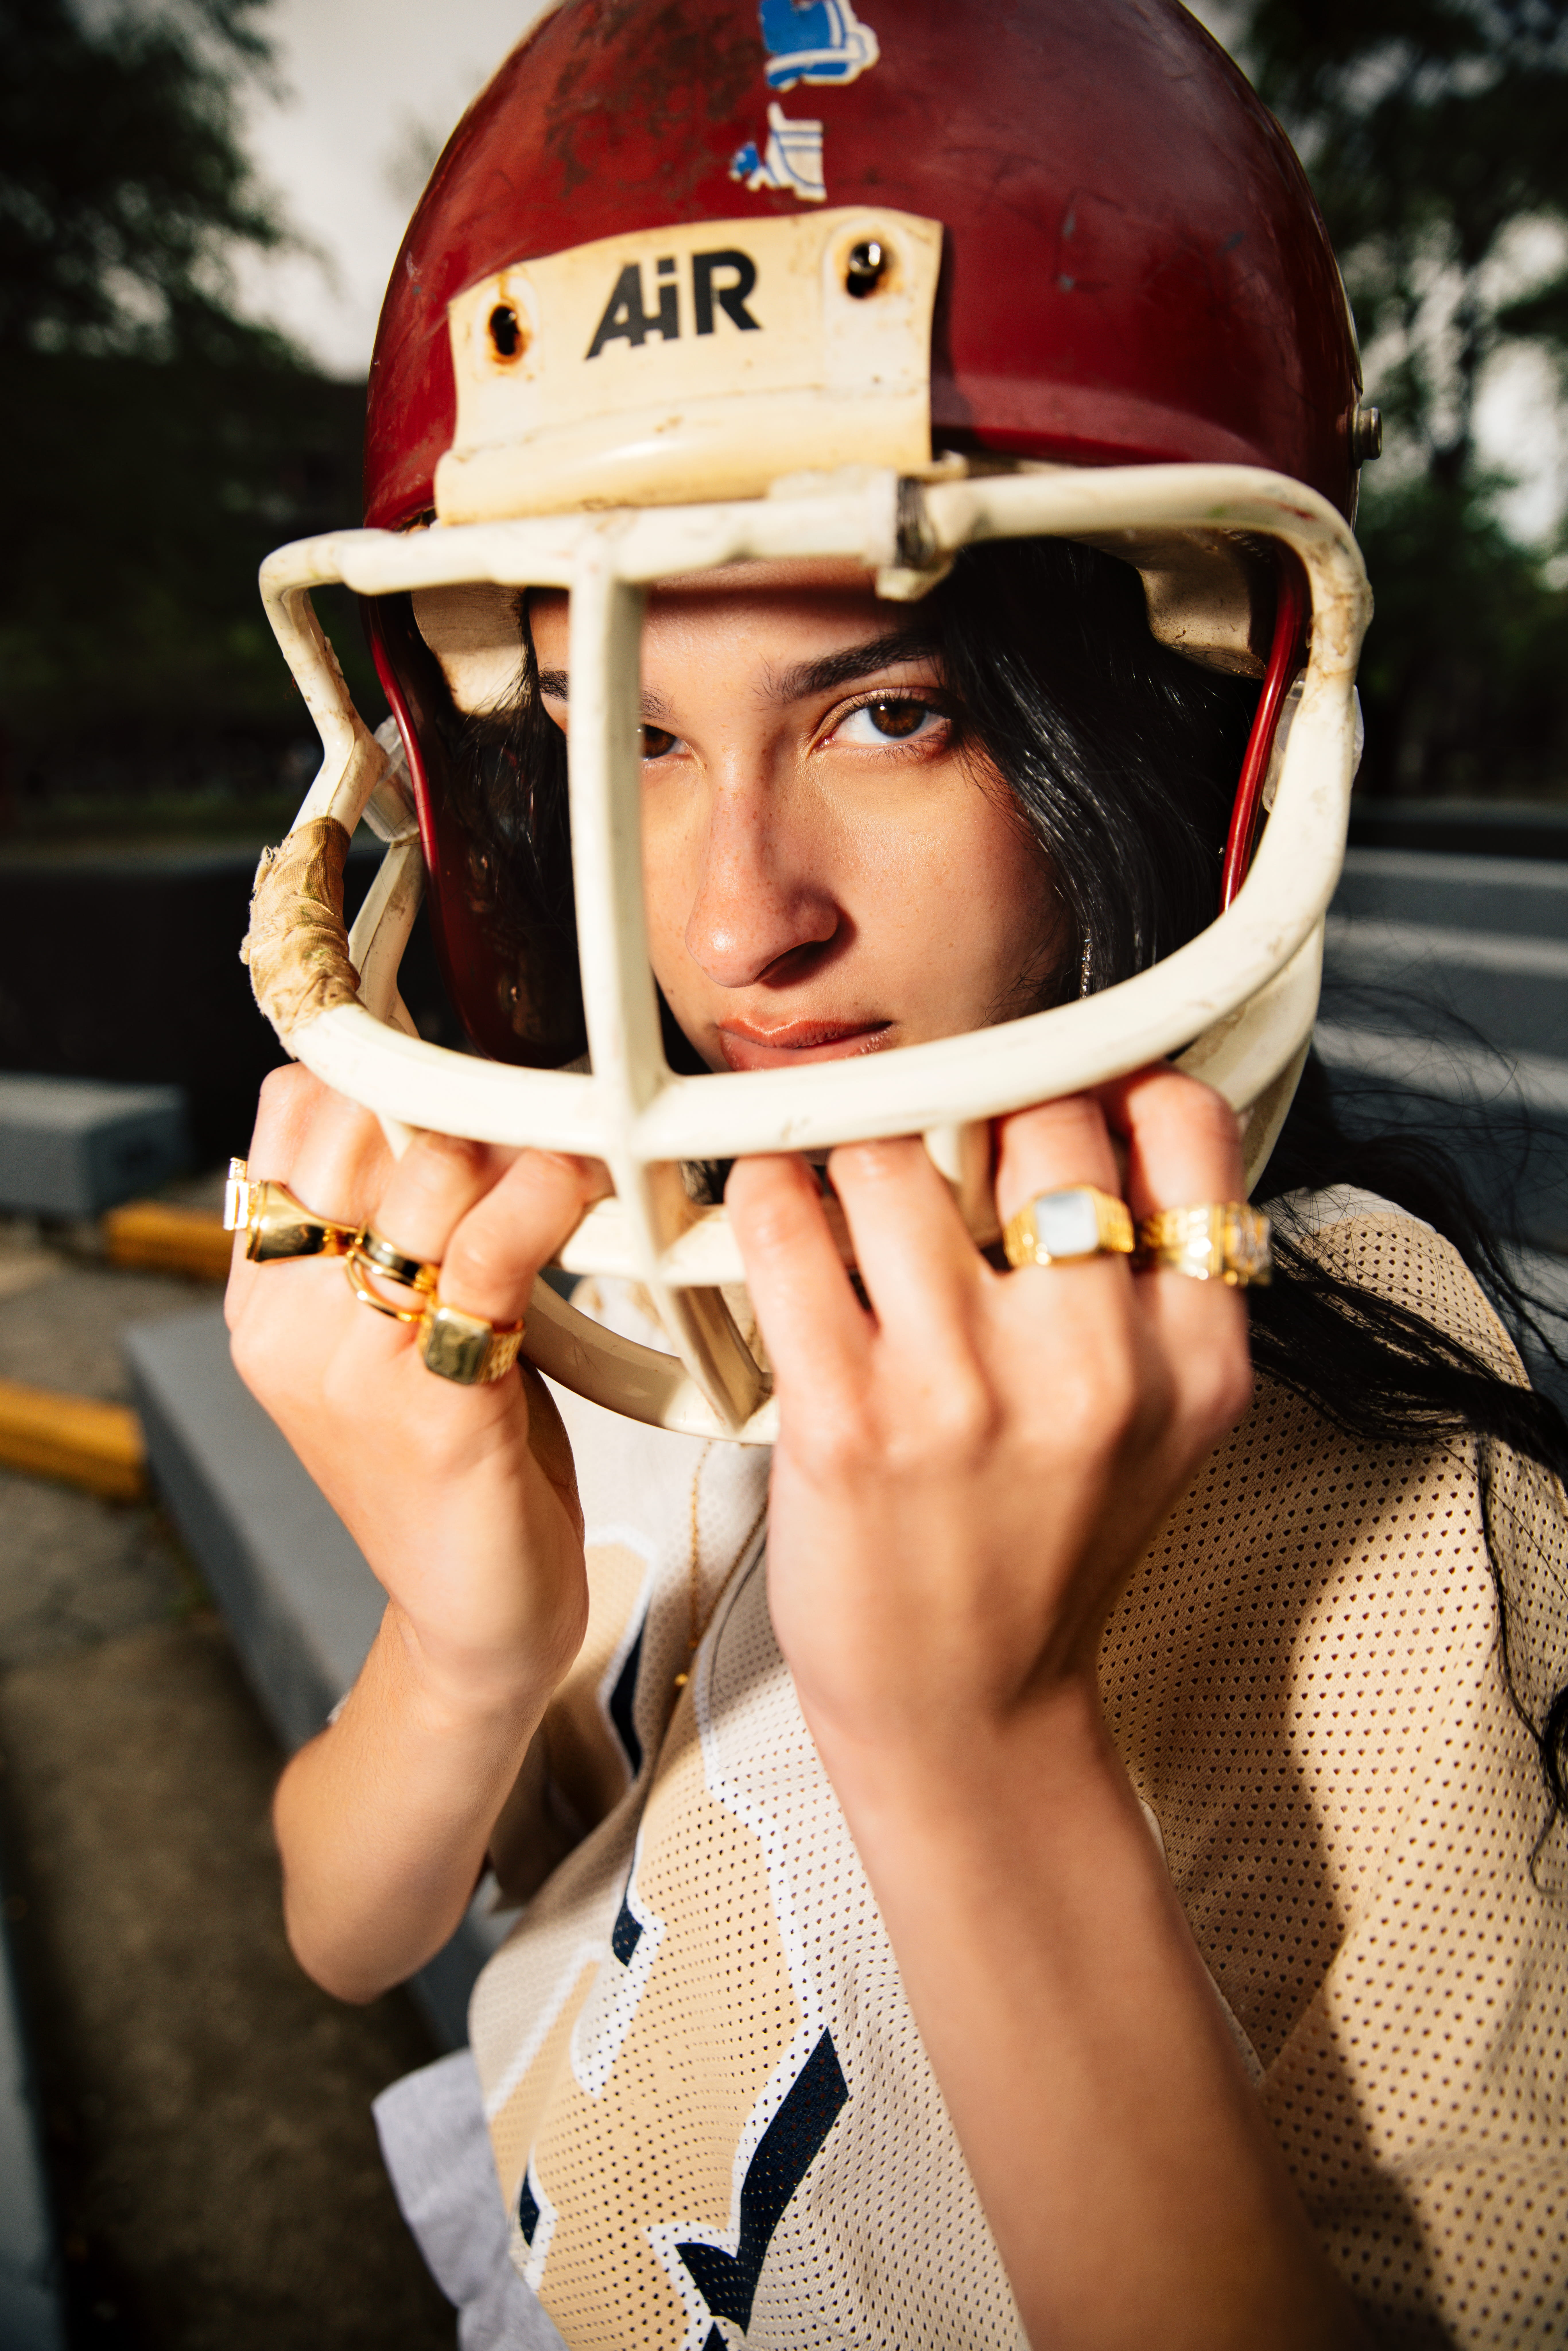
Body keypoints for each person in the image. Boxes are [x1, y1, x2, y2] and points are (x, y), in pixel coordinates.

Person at [226, 3, 1568, 2345]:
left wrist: (982, 1742)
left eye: (883, 708)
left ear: (1143, 731)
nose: (735, 918)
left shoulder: (1389, 1477)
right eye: (620, 733)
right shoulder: (651, 1282)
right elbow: (352, 1924)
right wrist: (460, 1642)